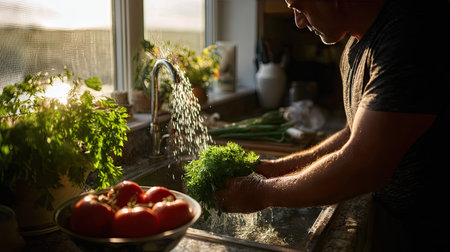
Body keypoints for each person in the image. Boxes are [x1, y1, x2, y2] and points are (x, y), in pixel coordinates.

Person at [215, 0, 448, 250]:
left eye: (299, 7)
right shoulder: (353, 48)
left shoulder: (406, 37)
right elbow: (352, 134)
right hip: (399, 220)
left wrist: (263, 194)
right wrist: (277, 168)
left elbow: (365, 164)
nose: (299, 22)